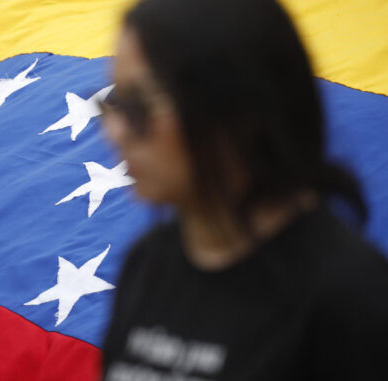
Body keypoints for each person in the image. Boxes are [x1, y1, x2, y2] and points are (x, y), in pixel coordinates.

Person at [98, 0, 388, 380]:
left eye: (141, 107)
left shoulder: (350, 299)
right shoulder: (148, 263)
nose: (114, 132)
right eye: (115, 103)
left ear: (238, 110)